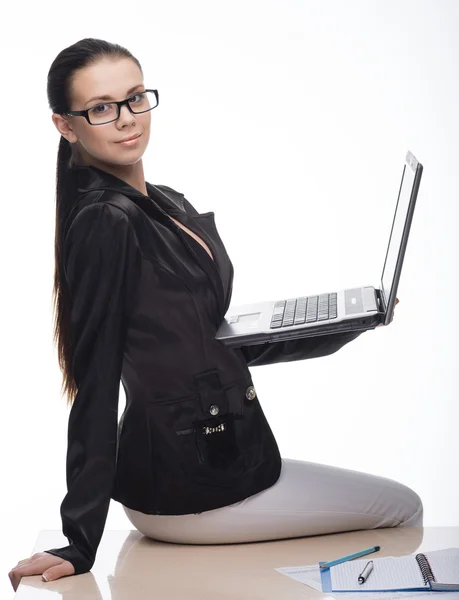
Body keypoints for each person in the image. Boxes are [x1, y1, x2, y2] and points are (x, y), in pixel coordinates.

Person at [8, 37, 421, 593]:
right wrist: (79, 540)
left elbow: (212, 338)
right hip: (189, 484)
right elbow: (96, 385)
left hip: (217, 459)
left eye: (135, 98)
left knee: (399, 506)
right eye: (101, 108)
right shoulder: (106, 222)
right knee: (402, 508)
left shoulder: (162, 202)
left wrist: (346, 323)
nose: (127, 120)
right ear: (66, 125)